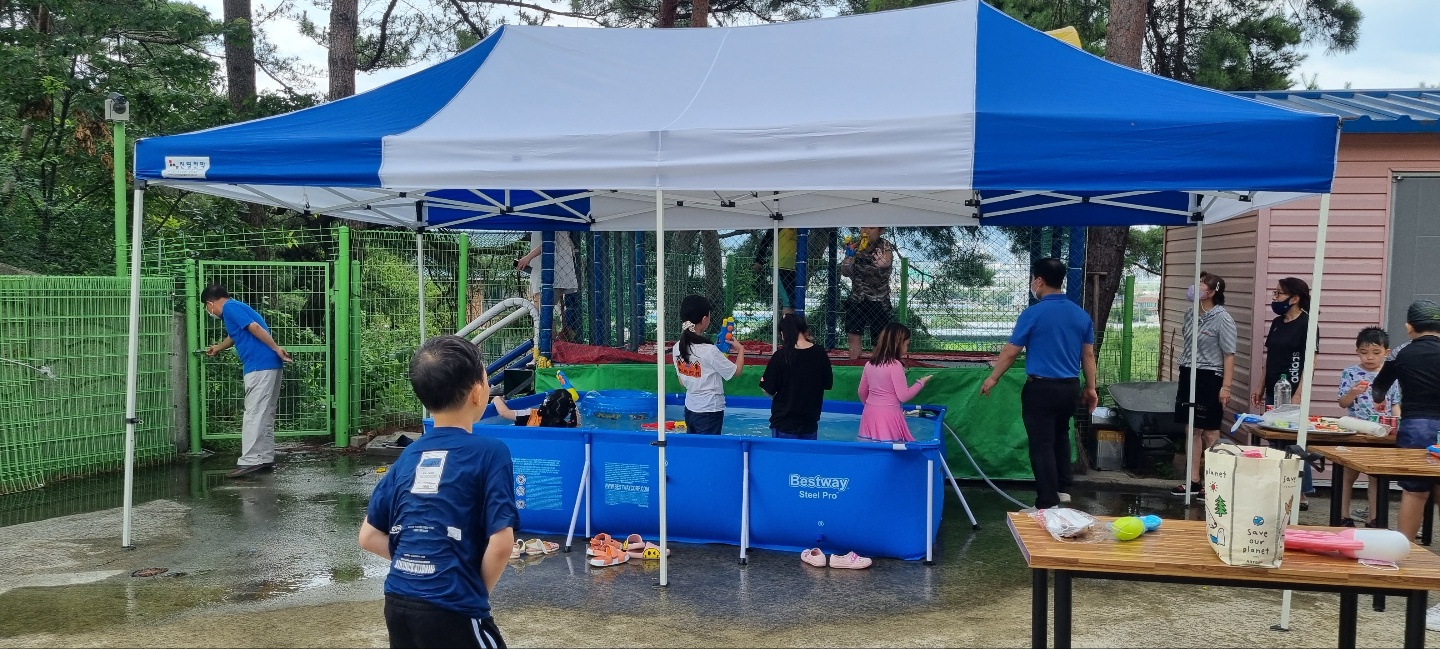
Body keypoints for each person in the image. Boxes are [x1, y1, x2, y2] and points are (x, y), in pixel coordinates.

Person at [359, 335, 518, 649]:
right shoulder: (491, 452)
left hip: (398, 602)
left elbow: (368, 536)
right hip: (453, 605)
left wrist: (421, 561)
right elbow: (502, 543)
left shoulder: (410, 454)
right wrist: (473, 593)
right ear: (477, 393)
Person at [980, 258, 1098, 510]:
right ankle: (1062, 490)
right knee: (1060, 435)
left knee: (1041, 444)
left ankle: (1046, 502)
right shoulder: (1080, 315)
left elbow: (1011, 351)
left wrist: (993, 377)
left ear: (1040, 280)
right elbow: (1088, 354)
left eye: (1034, 279)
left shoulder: (1033, 313)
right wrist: (1090, 387)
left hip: (1041, 388)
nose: (1033, 284)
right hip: (1070, 387)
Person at [201, 285, 293, 479]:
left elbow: (254, 327)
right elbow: (235, 335)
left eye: (207, 308)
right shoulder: (236, 307)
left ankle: (250, 460)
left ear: (210, 303)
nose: (209, 312)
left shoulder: (229, 309)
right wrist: (218, 347)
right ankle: (264, 457)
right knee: (265, 413)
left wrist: (276, 347)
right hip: (269, 364)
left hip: (259, 365)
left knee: (254, 414)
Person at [1370, 301, 1440, 544]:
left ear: (1409, 327)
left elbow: (1378, 390)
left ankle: (1404, 550)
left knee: (1414, 491)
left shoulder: (1401, 352)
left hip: (1416, 428)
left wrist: (1379, 401)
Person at [1250, 277, 1316, 508]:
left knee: (1294, 441)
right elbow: (1269, 357)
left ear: (1295, 298)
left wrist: (1299, 394)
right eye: (1274, 293)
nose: (1275, 298)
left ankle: (1302, 491)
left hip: (1293, 388)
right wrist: (1260, 385)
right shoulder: (1278, 323)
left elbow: (1311, 362)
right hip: (1273, 388)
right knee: (1274, 438)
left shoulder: (1308, 324)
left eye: (1279, 293)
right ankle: (1280, 485)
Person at [1170, 272, 1238, 497]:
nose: (1196, 287)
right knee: (1192, 427)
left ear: (1212, 292)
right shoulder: (1190, 313)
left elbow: (1229, 354)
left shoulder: (1223, 318)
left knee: (1209, 430)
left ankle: (1214, 482)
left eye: (1201, 284)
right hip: (1188, 371)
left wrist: (1226, 386)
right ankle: (1193, 481)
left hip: (1210, 375)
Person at [1335, 326, 1401, 527]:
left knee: (1376, 477)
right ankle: (1343, 516)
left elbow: (1395, 403)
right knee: (1348, 475)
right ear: (1357, 352)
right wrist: (1353, 393)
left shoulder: (1390, 374)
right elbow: (1343, 403)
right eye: (1364, 352)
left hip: (1381, 432)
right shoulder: (1350, 373)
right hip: (1355, 432)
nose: (1369, 357)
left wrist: (1397, 423)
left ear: (1386, 353)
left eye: (1375, 352)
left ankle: (1374, 518)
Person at [673, 294, 745, 434]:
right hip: (710, 410)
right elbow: (736, 371)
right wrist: (741, 350)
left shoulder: (677, 347)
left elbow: (682, 381)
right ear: (704, 319)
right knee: (709, 447)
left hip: (690, 409)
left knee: (695, 445)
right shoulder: (709, 350)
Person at [760, 313, 833, 440]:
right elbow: (827, 383)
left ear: (783, 334)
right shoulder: (820, 353)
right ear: (804, 331)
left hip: (784, 422)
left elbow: (767, 389)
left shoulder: (780, 356)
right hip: (809, 423)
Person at [857, 322, 932, 442]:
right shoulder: (895, 365)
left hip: (869, 413)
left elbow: (861, 392)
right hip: (889, 415)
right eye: (906, 344)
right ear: (899, 344)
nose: (907, 348)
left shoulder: (869, 364)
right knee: (892, 447)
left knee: (869, 446)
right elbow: (903, 396)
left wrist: (872, 407)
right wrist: (921, 383)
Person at [839, 227, 895, 361]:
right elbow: (845, 272)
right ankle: (855, 363)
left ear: (880, 231)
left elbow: (887, 260)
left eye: (871, 228)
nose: (866, 231)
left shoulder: (884, 245)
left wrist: (884, 263)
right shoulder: (856, 246)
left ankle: (878, 366)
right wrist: (847, 261)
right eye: (864, 227)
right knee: (853, 335)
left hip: (878, 299)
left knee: (879, 339)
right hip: (857, 297)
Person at [515, 231, 578, 339]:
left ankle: (549, 342)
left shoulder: (549, 223)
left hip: (553, 275)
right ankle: (548, 342)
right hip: (546, 274)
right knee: (542, 313)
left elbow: (549, 242)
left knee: (542, 313)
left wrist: (527, 258)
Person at [753, 228, 799, 315]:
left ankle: (793, 322)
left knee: (794, 301)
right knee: (788, 301)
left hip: (791, 268)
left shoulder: (797, 226)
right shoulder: (778, 225)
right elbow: (765, 241)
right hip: (778, 266)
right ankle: (788, 323)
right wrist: (759, 261)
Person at [490, 390, 579, 428]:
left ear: (547, 402)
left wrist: (497, 398)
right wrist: (574, 409)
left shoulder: (531, 414)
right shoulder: (566, 425)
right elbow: (577, 423)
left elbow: (504, 413)